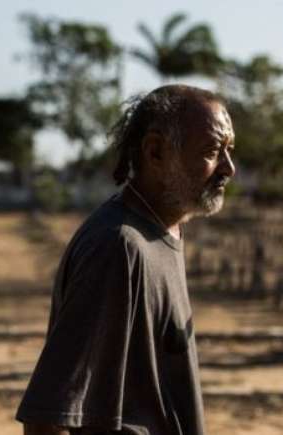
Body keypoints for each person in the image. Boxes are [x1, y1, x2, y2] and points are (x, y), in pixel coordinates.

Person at [15, 84, 235, 435]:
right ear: (155, 152)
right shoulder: (118, 246)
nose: (229, 168)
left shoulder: (164, 232)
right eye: (212, 151)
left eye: (229, 151)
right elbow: (47, 416)